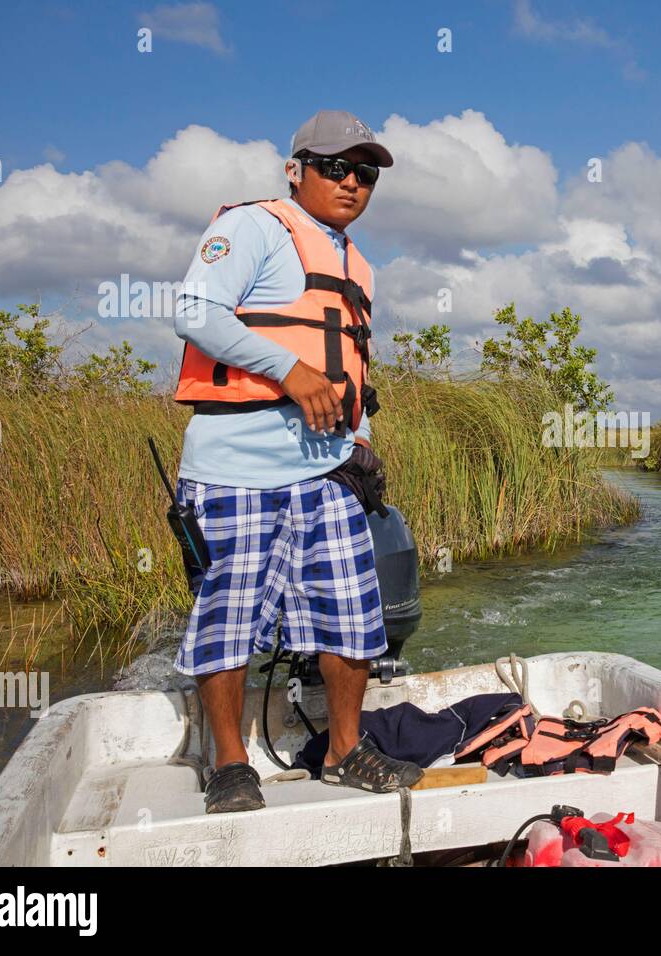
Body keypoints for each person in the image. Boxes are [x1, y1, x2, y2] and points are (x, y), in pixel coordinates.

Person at [171, 110, 423, 813]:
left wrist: (363, 437)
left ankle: (346, 750)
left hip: (328, 473)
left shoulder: (357, 262)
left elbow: (352, 368)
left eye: (365, 172)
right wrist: (287, 369)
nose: (351, 182)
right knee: (228, 619)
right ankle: (229, 762)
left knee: (355, 615)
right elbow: (195, 309)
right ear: (296, 169)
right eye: (335, 166)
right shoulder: (255, 227)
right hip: (234, 467)